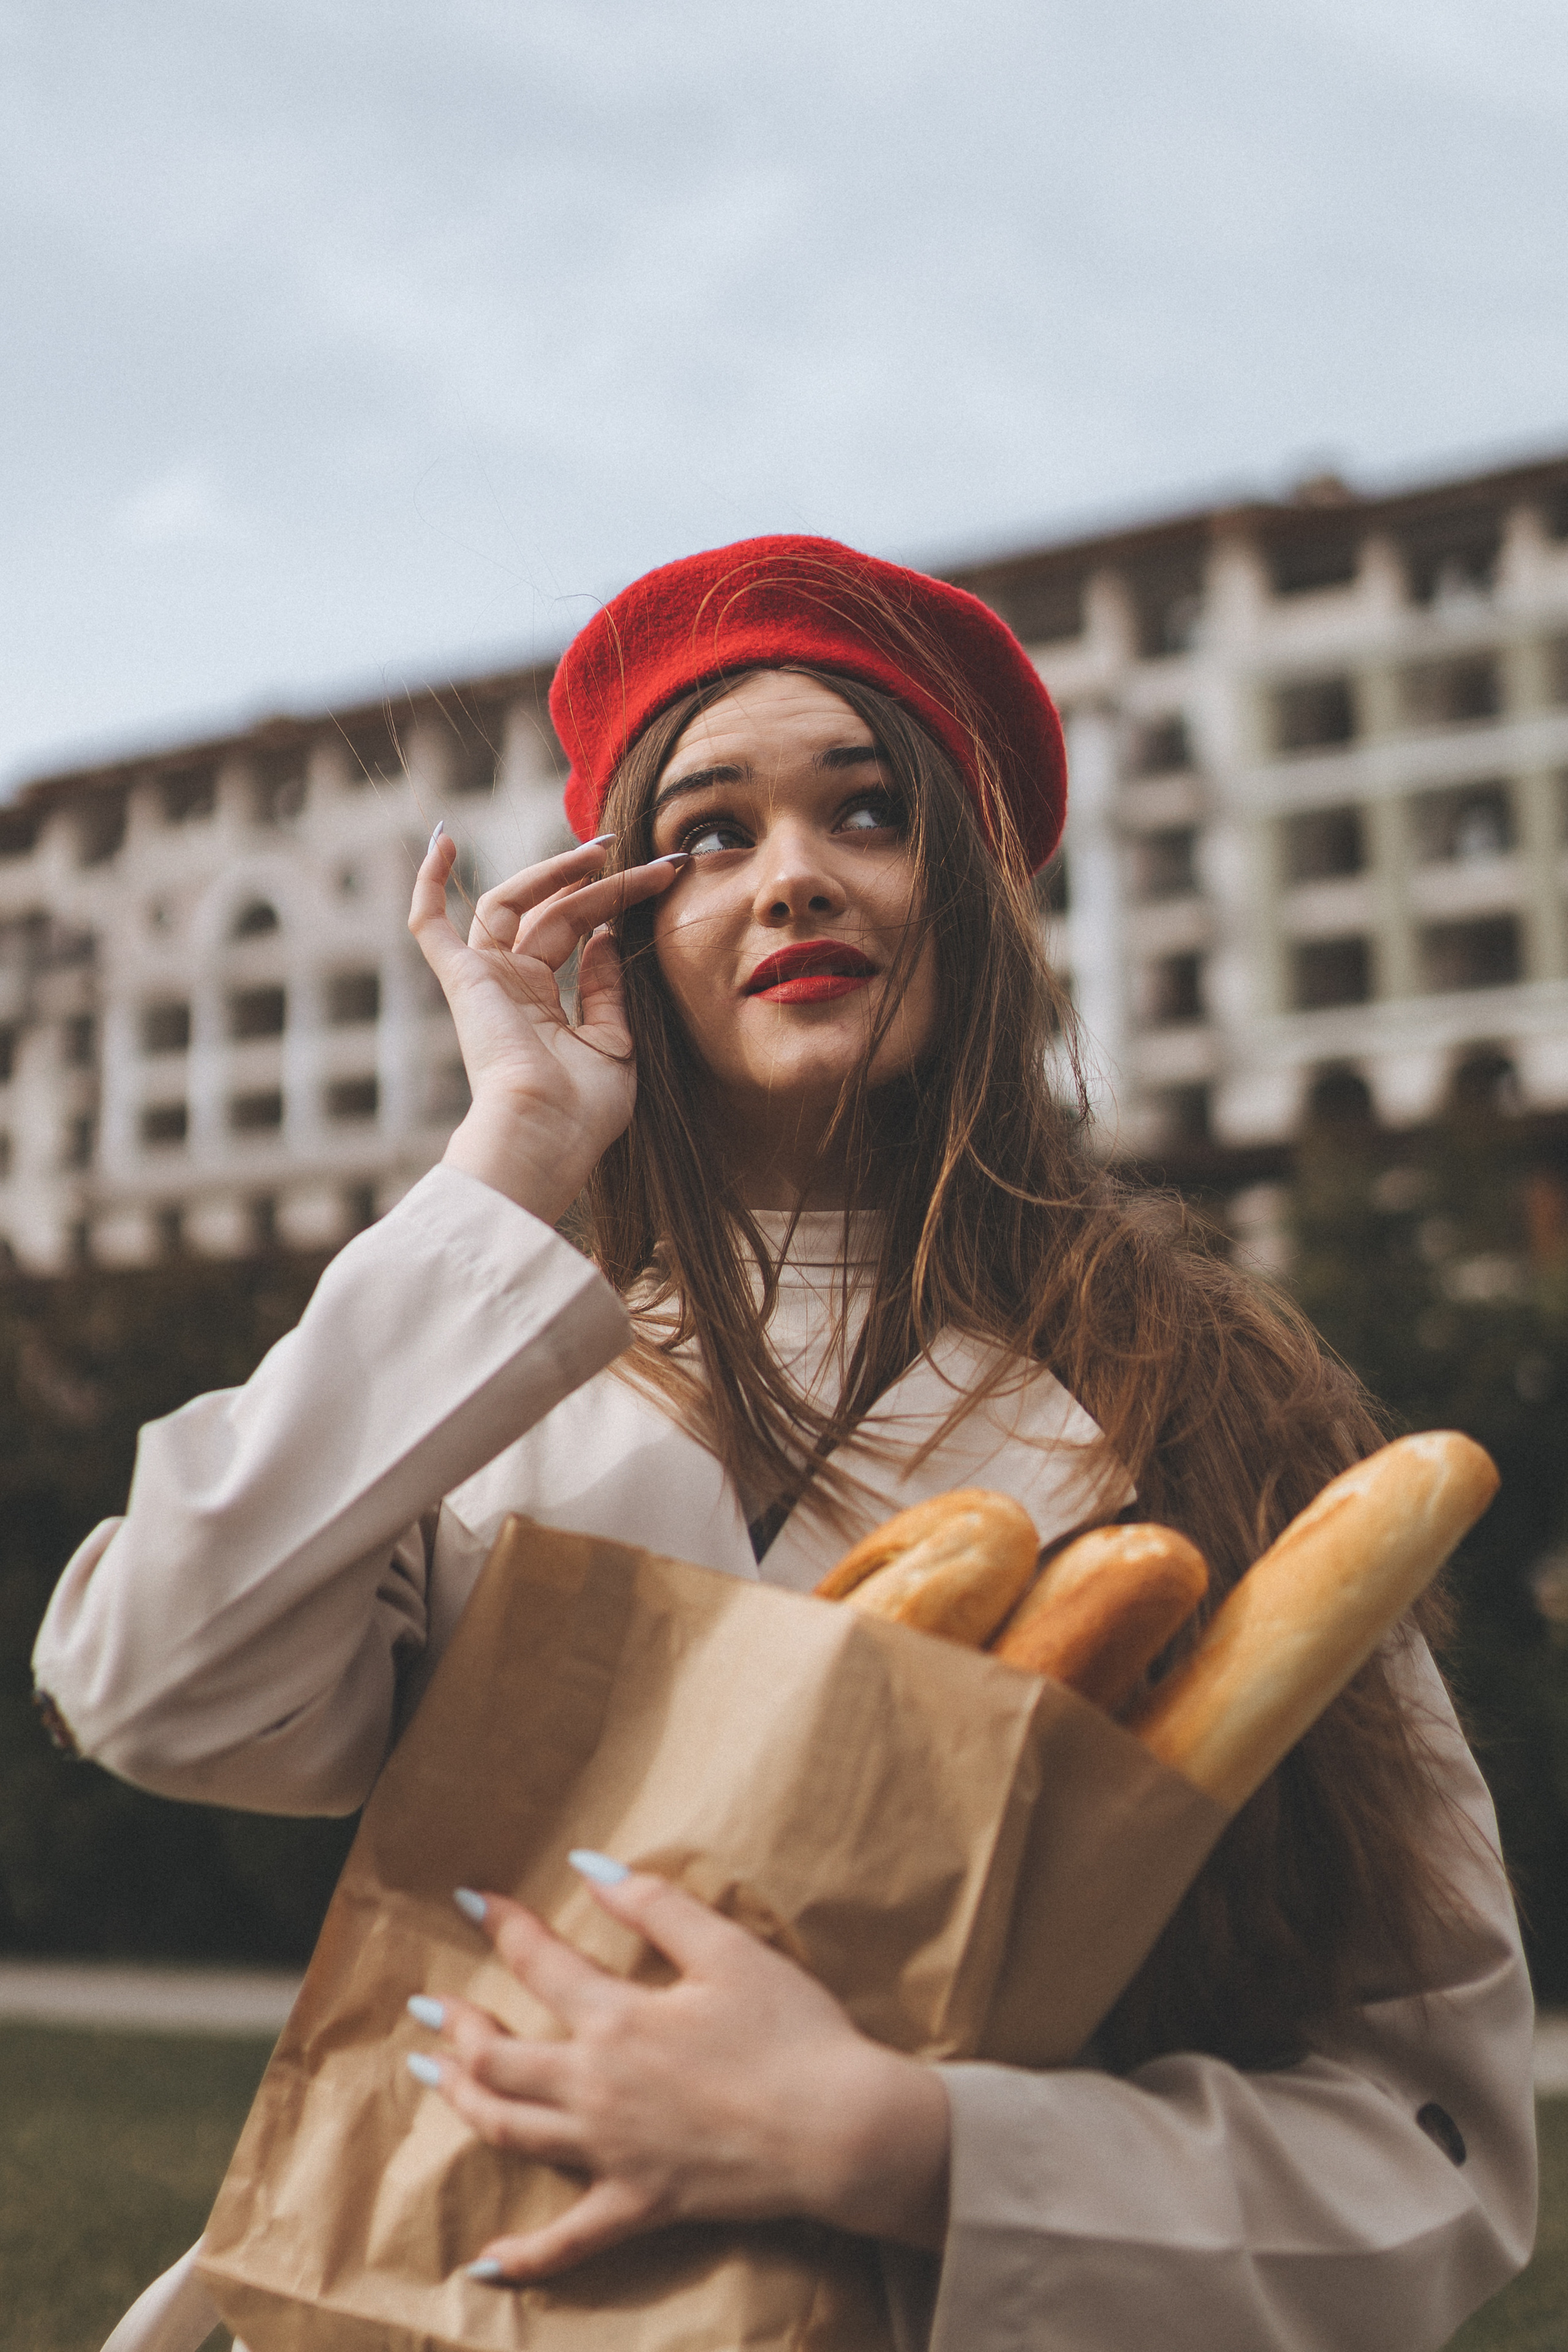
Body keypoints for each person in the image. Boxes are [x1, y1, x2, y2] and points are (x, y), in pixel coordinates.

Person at [39, 537, 1535, 2352]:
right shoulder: (492, 1369)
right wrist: (508, 1154)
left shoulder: (1215, 1409)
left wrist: (908, 2146)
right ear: (621, 925)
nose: (796, 878)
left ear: (975, 899)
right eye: (714, 834)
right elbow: (151, 1682)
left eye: (871, 813)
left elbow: (1438, 2145)